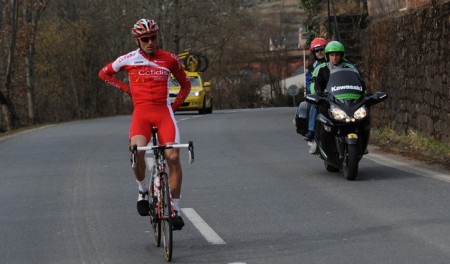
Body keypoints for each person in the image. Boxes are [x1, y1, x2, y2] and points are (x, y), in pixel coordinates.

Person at [98, 18, 191, 230]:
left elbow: (185, 85)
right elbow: (103, 74)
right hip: (141, 114)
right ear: (138, 41)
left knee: (173, 157)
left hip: (163, 113)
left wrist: (173, 108)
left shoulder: (170, 59)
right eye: (145, 39)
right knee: (135, 151)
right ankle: (142, 190)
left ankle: (175, 208)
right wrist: (125, 89)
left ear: (157, 37)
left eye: (153, 38)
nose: (150, 42)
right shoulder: (128, 59)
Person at [303, 38, 328, 140]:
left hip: (335, 90)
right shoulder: (312, 66)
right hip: (320, 93)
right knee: (314, 105)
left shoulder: (332, 61)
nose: (319, 52)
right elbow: (309, 81)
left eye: (321, 49)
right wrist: (313, 91)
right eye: (317, 51)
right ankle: (311, 130)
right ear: (314, 53)